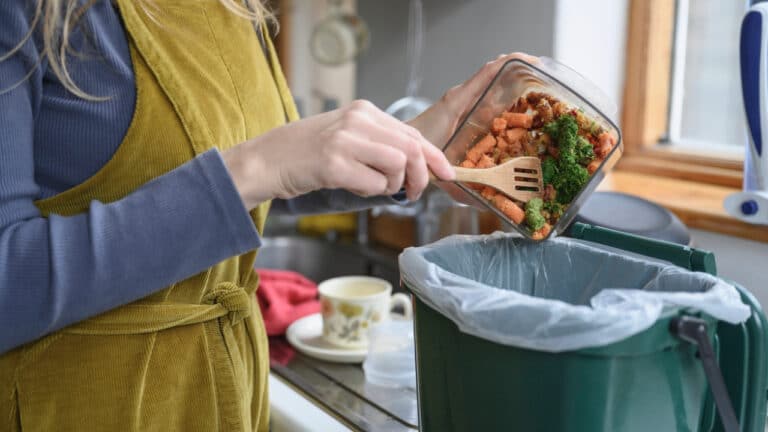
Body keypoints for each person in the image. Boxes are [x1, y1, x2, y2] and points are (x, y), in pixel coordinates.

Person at [0, 0, 528, 430]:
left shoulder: (239, 8)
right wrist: (254, 167)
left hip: (224, 399)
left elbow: (266, 190)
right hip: (81, 405)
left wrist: (420, 142)